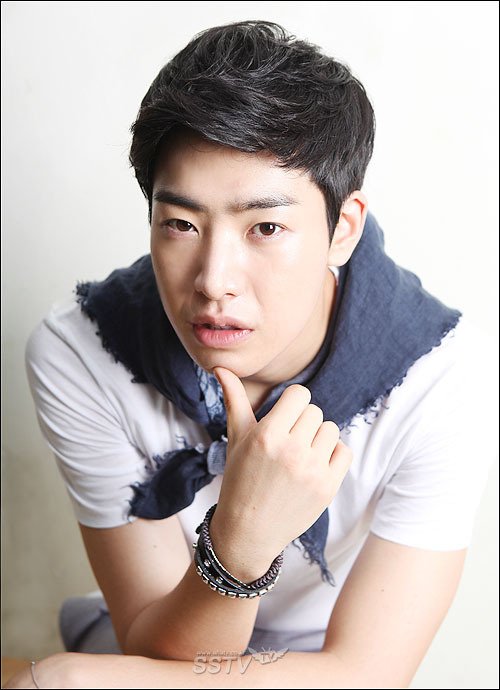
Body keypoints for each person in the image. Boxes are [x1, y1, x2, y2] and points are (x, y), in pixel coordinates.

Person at [8, 19, 494, 689]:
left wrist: (75, 679)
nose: (214, 281)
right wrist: (240, 542)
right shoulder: (83, 351)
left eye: (265, 226)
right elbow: (156, 648)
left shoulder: (442, 376)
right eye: (180, 224)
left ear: (342, 229)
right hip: (158, 645)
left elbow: (368, 673)